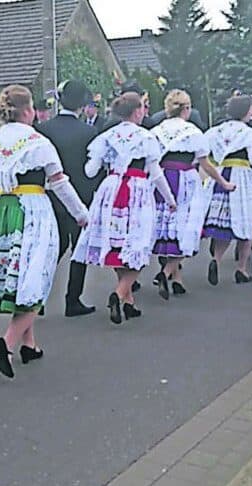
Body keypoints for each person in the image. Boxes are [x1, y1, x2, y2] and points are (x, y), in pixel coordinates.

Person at [0, 85, 88, 378]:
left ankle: (29, 345)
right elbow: (59, 183)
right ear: (28, 110)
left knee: (21, 277)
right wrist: (81, 214)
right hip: (33, 210)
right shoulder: (39, 142)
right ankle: (7, 342)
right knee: (37, 276)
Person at [73, 92, 177, 324]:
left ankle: (128, 300)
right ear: (137, 111)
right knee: (138, 245)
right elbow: (156, 173)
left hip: (110, 190)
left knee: (117, 245)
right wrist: (169, 199)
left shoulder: (107, 136)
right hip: (137, 190)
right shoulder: (146, 137)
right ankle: (120, 294)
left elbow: (90, 170)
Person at [150, 89, 234, 298]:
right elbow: (205, 162)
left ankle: (177, 279)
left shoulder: (156, 131)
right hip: (185, 178)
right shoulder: (193, 132)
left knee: (169, 227)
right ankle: (167, 272)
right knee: (187, 228)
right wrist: (223, 182)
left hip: (162, 179)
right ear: (186, 108)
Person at [36, 80, 99, 317]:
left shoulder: (44, 129)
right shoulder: (89, 132)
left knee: (53, 248)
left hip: (51, 197)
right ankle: (73, 299)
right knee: (79, 249)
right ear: (82, 104)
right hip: (80, 196)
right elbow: (94, 169)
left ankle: (37, 297)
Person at [202, 94, 252, 285]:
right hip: (242, 177)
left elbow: (204, 154)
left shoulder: (215, 131)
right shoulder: (251, 134)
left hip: (220, 175)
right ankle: (241, 268)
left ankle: (216, 259)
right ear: (248, 111)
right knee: (245, 222)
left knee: (224, 224)